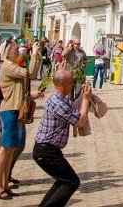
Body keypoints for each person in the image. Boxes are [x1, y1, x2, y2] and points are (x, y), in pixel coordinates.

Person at [32, 70, 94, 207]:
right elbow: (80, 121)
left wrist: (85, 96)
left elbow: (73, 108)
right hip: (46, 151)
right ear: (62, 83)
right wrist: (85, 100)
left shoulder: (60, 99)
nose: (73, 85)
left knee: (63, 180)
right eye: (71, 82)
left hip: (48, 150)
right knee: (71, 181)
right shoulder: (57, 102)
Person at [0, 42, 43, 199]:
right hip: (9, 110)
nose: (19, 52)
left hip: (16, 109)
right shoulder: (7, 66)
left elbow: (22, 84)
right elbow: (30, 72)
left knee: (12, 148)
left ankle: (5, 183)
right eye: (15, 50)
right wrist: (34, 53)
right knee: (5, 148)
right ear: (7, 53)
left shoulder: (13, 65)